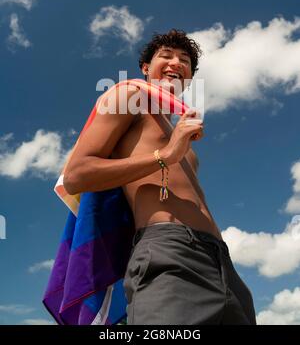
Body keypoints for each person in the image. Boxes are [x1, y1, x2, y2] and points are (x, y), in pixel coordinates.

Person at [63, 28, 256, 325]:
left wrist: (177, 148)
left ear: (190, 77)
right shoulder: (130, 95)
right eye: (165, 55)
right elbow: (76, 175)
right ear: (145, 68)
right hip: (169, 250)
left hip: (222, 262)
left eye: (185, 60)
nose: (176, 62)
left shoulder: (181, 131)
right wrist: (166, 155)